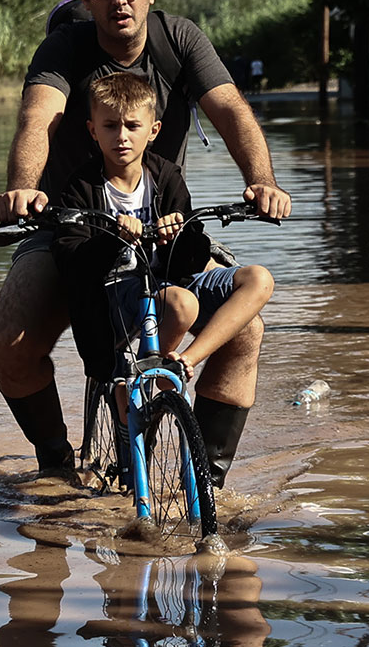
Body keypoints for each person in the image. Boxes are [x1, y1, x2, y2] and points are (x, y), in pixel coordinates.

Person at [0, 0, 292, 480]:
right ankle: (58, 467)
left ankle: (208, 483)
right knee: (12, 339)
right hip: (72, 226)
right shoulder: (65, 47)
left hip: (160, 226)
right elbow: (39, 117)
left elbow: (230, 109)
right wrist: (22, 189)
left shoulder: (179, 39)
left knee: (246, 330)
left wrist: (262, 183)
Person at [53, 73, 276, 486]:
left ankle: (184, 362)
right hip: (112, 297)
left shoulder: (166, 176)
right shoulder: (82, 187)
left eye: (133, 126)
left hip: (165, 283)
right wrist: (112, 237)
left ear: (153, 130)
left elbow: (188, 260)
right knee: (182, 304)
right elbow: (71, 258)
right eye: (110, 126)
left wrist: (182, 233)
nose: (122, 136)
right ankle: (142, 376)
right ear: (93, 131)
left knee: (258, 278)